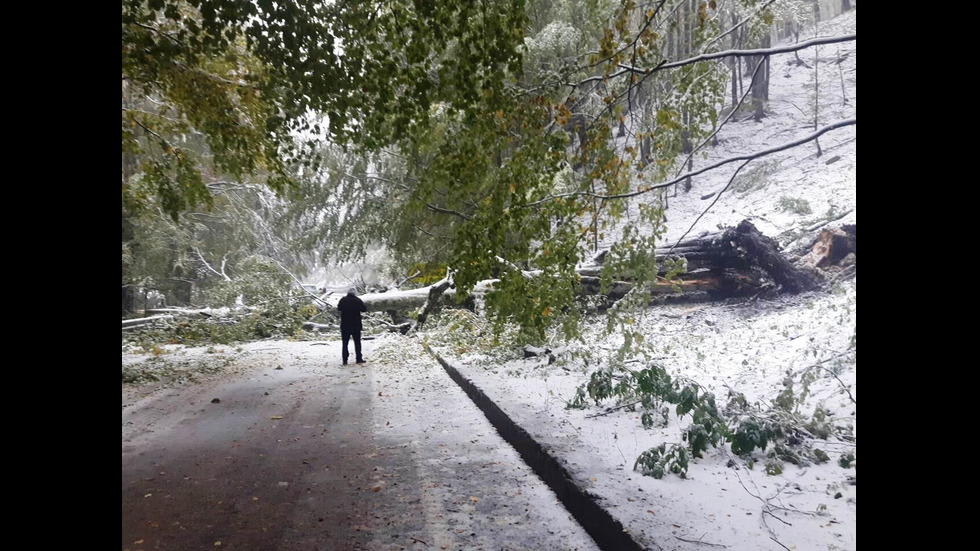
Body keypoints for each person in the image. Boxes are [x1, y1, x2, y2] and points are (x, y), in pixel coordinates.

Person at [337, 287, 367, 365]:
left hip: (345, 325)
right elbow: (364, 309)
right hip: (355, 325)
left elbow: (339, 308)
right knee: (357, 342)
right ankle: (358, 358)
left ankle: (344, 359)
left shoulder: (343, 300)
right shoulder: (357, 300)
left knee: (345, 343)